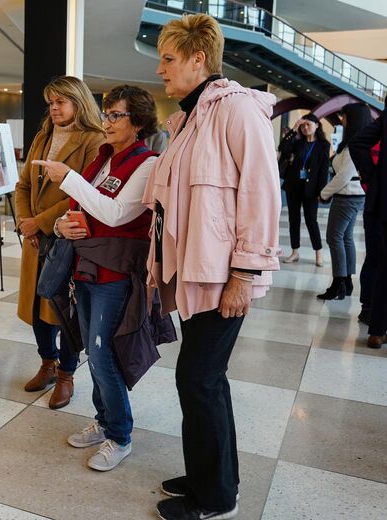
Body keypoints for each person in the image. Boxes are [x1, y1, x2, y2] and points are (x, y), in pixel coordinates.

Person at [144, 14, 281, 520]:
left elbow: (262, 195)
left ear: (198, 58)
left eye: (168, 58)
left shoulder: (237, 110)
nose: (160, 68)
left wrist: (245, 274)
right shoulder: (187, 118)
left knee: (198, 380)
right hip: (195, 272)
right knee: (206, 379)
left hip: (224, 275)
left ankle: (217, 497)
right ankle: (210, 475)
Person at [33, 85, 167, 471]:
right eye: (106, 114)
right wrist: (60, 224)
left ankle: (120, 435)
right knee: (94, 352)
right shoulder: (103, 159)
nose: (106, 122)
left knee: (104, 354)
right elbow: (81, 209)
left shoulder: (147, 164)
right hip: (86, 268)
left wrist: (68, 177)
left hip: (115, 274)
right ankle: (105, 421)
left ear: (137, 122)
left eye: (115, 115)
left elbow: (115, 213)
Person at [15, 75, 105, 409]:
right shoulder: (43, 135)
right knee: (38, 307)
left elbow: (83, 194)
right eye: (50, 102)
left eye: (60, 101)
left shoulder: (94, 140)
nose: (53, 108)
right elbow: (23, 185)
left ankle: (66, 375)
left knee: (65, 310)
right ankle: (46, 363)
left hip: (68, 238)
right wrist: (27, 224)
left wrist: (38, 223)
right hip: (36, 240)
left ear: (78, 102)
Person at [317, 103, 373, 300]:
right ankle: (346, 281)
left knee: (334, 237)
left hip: (347, 196)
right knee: (345, 237)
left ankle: (338, 283)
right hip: (352, 195)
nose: (342, 120)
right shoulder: (355, 143)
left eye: (345, 117)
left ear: (354, 119)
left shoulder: (354, 146)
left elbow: (343, 177)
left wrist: (324, 193)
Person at [349, 103, 387, 349]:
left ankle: (376, 330)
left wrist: (373, 176)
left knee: (384, 266)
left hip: (383, 200)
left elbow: (357, 142)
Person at [278, 113, 331, 266]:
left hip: (311, 189)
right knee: (293, 220)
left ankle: (318, 253)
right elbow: (283, 148)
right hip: (293, 186)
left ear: (317, 125)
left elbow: (323, 170)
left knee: (311, 221)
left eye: (308, 124)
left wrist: (321, 191)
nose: (305, 128)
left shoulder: (323, 145)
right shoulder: (298, 143)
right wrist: (294, 130)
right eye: (303, 125)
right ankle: (295, 252)